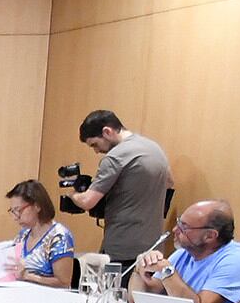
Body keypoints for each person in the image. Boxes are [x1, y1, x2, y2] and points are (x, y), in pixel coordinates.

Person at [68, 109, 173, 262]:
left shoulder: (115, 157)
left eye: (95, 144)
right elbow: (170, 182)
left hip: (122, 247)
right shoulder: (155, 148)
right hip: (153, 248)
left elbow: (87, 202)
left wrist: (72, 194)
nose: (97, 151)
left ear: (107, 132)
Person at [127, 200, 240, 303]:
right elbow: (138, 301)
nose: (175, 229)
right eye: (178, 222)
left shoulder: (237, 260)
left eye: (184, 227)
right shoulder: (183, 253)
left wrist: (167, 272)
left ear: (210, 236)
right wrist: (140, 268)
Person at [3, 180, 77, 289]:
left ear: (37, 206)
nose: (15, 217)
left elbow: (64, 283)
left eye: (18, 210)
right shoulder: (23, 235)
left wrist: (28, 276)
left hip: (47, 300)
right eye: (12, 211)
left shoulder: (59, 237)